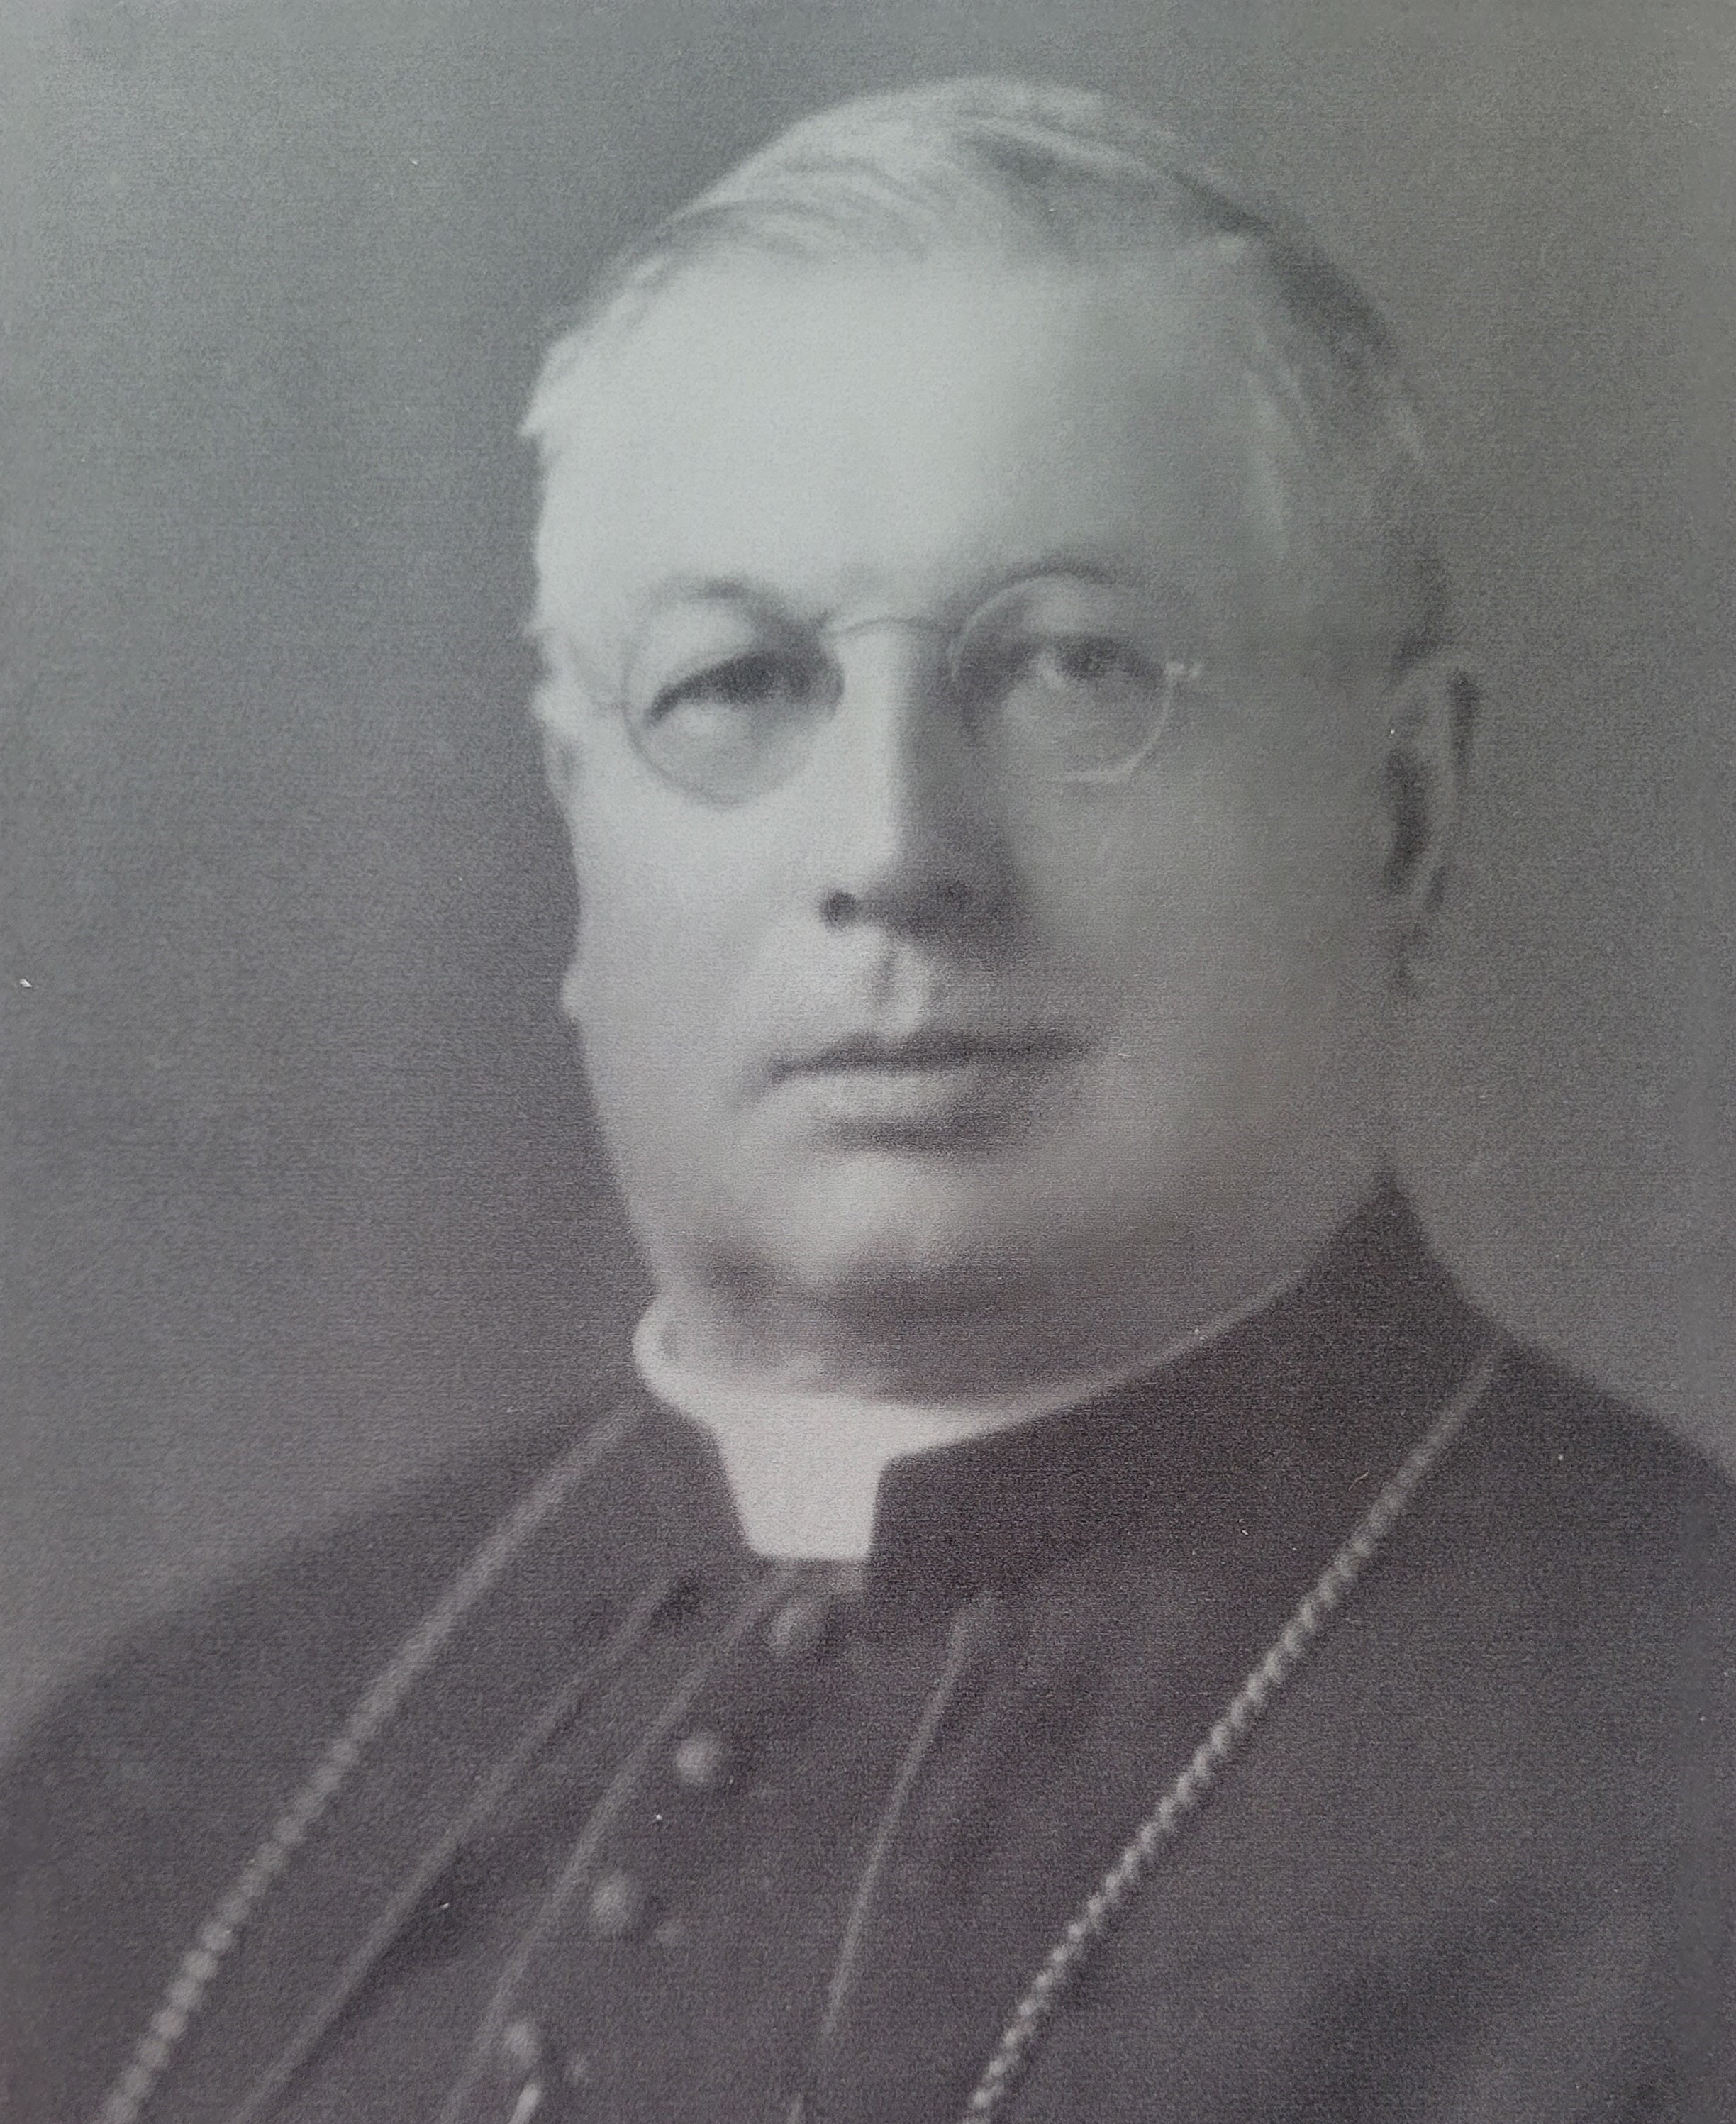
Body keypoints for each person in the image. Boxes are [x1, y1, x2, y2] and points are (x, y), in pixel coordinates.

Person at [4, 75, 1730, 2124]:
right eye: (736, 683)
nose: (898, 849)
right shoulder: (164, 1783)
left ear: (1403, 816)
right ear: (581, 829)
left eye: (1080, 667)